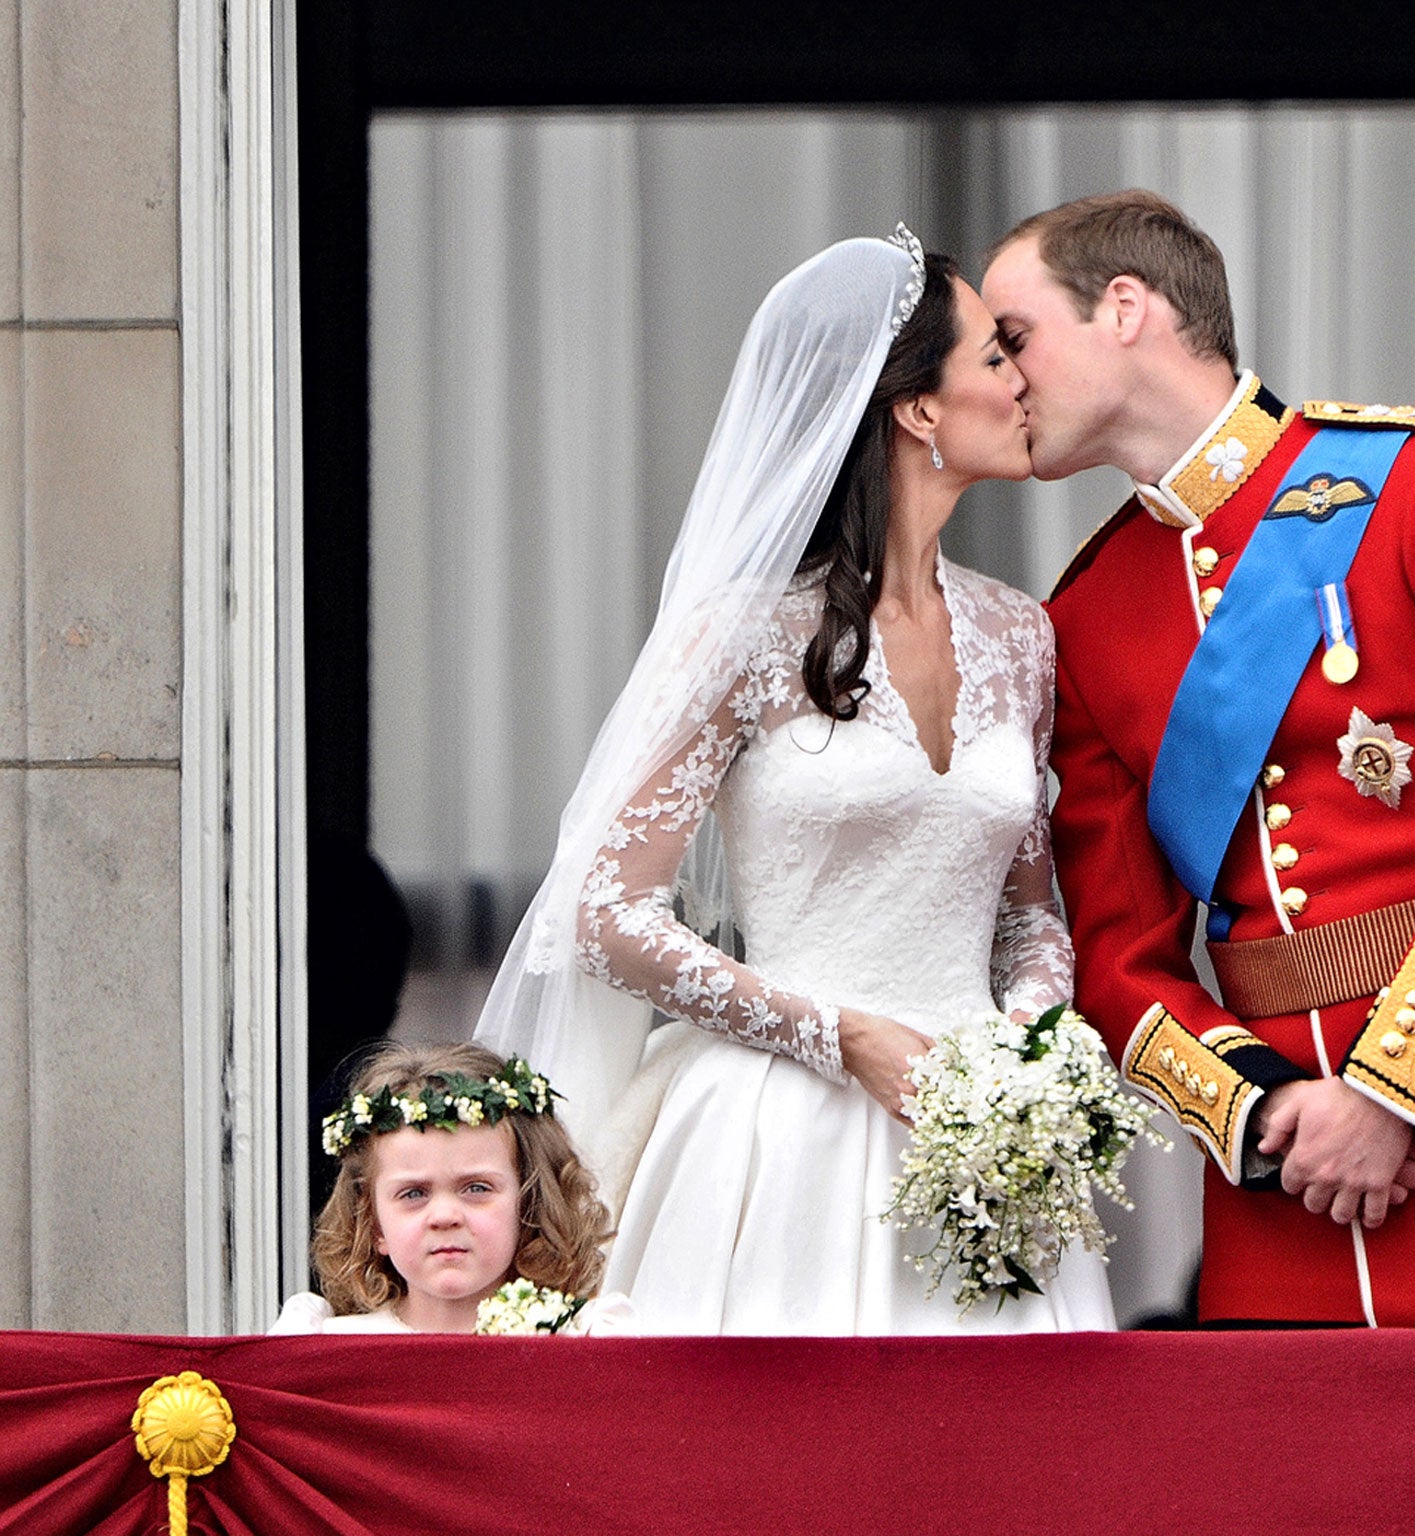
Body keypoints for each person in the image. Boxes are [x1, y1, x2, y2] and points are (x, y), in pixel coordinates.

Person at [980, 190, 1415, 1326]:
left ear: (1123, 308)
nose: (999, 376)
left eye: (1015, 336)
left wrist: (1393, 1094)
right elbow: (1117, 954)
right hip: (1283, 1221)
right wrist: (1269, 1115)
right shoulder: (1084, 613)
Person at [475, 228, 1114, 1335]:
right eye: (995, 358)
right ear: (917, 408)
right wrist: (839, 1034)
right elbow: (605, 911)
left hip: (982, 1144)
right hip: (779, 1137)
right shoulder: (743, 634)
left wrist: (1028, 1048)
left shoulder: (1020, 635)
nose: (1023, 382)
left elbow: (1026, 912)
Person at [272, 1041, 634, 1334]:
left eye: (476, 1188)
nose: (445, 1216)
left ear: (529, 1202)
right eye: (414, 1193)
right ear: (373, 1221)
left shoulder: (585, 1339)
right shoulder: (328, 1346)